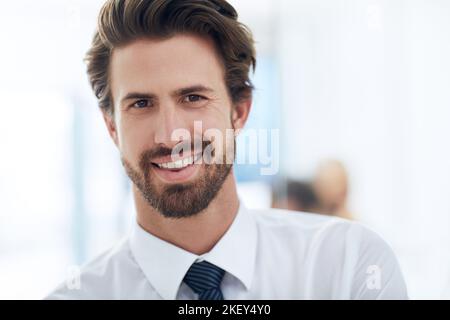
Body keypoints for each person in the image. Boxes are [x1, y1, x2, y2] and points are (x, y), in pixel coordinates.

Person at [46, 0, 407, 299]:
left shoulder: (348, 267)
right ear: (112, 126)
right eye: (141, 104)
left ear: (239, 111)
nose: (171, 137)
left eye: (193, 97)